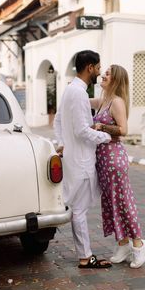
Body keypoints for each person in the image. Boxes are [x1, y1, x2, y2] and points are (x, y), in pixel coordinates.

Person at [54, 50, 112, 269]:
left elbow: (58, 121)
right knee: (77, 210)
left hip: (73, 157)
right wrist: (106, 136)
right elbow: (81, 130)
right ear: (90, 68)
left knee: (76, 209)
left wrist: (61, 143)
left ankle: (85, 255)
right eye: (98, 67)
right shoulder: (78, 93)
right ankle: (85, 257)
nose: (99, 71)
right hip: (81, 161)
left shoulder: (71, 89)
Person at [90, 64, 145, 268]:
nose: (103, 75)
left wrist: (101, 127)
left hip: (114, 158)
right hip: (103, 160)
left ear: (116, 79)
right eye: (104, 72)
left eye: (108, 74)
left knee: (123, 202)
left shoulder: (116, 102)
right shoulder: (103, 100)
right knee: (110, 203)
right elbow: (81, 100)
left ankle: (139, 244)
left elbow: (123, 129)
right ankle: (123, 243)